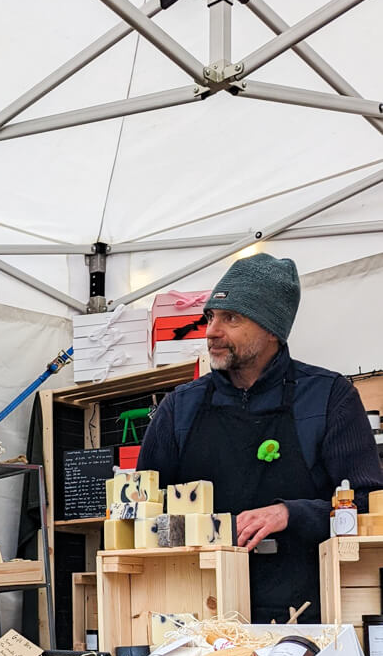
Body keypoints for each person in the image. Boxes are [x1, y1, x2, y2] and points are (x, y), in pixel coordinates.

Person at [138, 252, 383, 623]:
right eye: (211, 317)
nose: (211, 332)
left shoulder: (328, 397)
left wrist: (292, 512)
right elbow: (144, 509)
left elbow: (368, 504)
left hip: (307, 614)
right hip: (202, 617)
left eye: (231, 318)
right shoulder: (178, 408)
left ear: (272, 328)